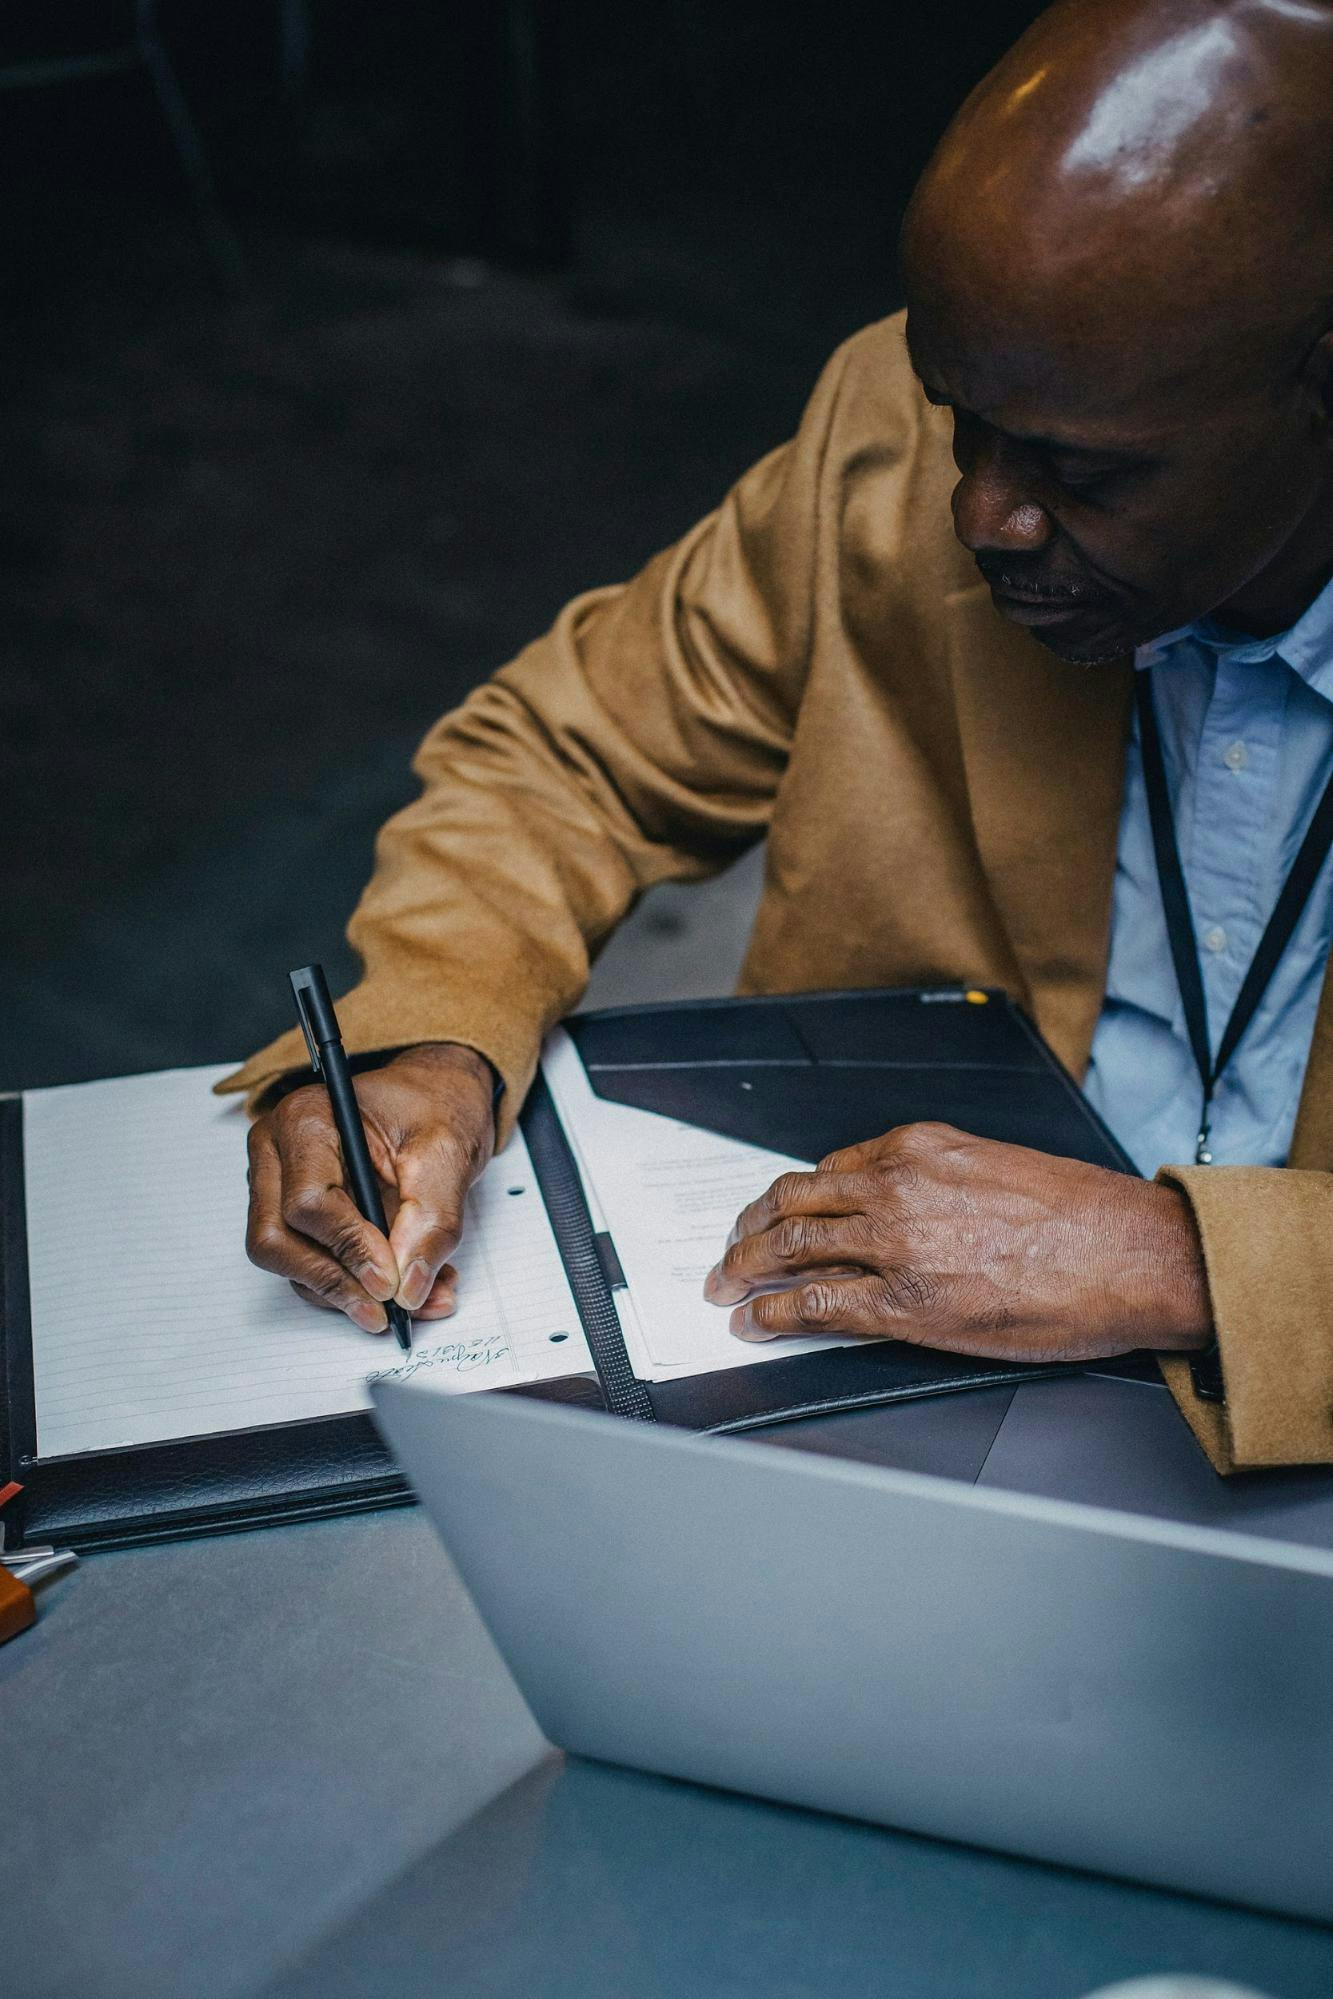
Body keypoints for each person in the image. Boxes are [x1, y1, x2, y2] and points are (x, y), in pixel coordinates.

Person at [222, 0, 1333, 1474]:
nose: (979, 518)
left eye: (1080, 472)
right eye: (960, 420)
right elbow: (567, 752)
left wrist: (1193, 1270)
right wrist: (430, 1032)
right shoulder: (894, 426)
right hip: (860, 1389)